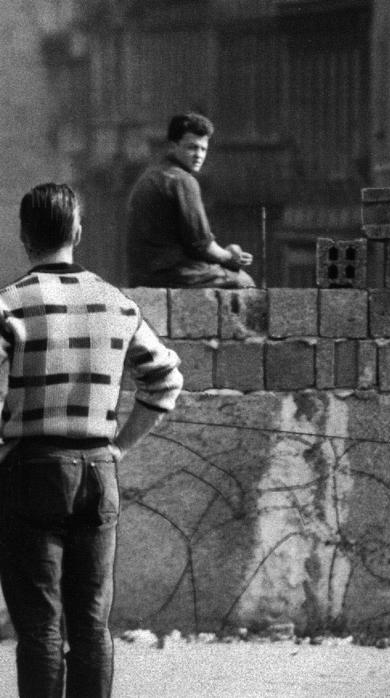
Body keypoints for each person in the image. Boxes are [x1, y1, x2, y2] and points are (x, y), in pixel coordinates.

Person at [0, 183, 184, 697]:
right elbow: (166, 381)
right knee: (91, 625)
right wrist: (119, 446)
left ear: (23, 236)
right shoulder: (116, 304)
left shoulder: (10, 305)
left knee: (39, 627)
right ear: (77, 232)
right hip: (99, 472)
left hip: (31, 471)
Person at [126, 112, 256, 288]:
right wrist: (230, 257)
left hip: (142, 275)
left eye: (203, 149)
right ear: (173, 146)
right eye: (192, 147)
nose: (199, 155)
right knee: (244, 282)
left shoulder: (150, 175)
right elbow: (202, 245)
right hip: (172, 274)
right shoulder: (182, 180)